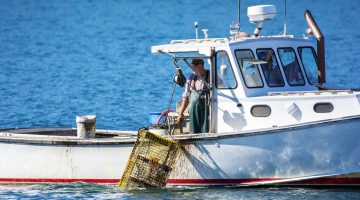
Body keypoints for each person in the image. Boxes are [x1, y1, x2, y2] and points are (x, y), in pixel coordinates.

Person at [176, 59, 210, 133]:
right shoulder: (191, 78)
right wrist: (180, 113)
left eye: (194, 67)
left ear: (201, 66)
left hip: (208, 113)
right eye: (191, 67)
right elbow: (186, 97)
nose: (192, 69)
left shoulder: (212, 76)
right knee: (194, 132)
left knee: (207, 130)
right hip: (194, 112)